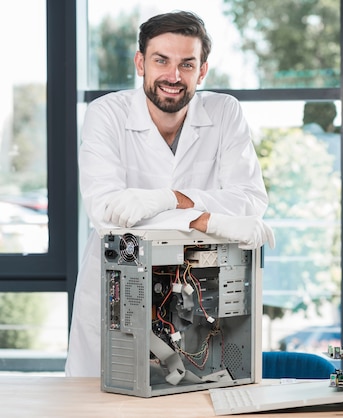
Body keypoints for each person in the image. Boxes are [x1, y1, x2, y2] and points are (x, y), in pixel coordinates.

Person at [65, 11, 274, 377]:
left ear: (202, 70)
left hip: (199, 300)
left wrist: (168, 198)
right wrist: (204, 220)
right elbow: (108, 212)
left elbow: (250, 199)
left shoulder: (224, 112)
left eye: (187, 64)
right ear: (140, 62)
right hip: (119, 289)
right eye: (161, 60)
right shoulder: (107, 115)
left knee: (198, 393)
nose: (173, 76)